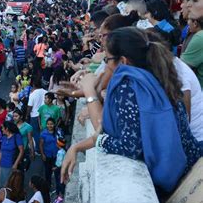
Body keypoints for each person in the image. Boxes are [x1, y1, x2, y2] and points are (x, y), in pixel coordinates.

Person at [61, 27, 202, 194]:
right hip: (191, 161)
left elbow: (130, 146)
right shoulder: (154, 74)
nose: (106, 65)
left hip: (177, 177)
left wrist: (90, 92)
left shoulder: (128, 86)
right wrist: (76, 147)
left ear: (123, 61)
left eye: (108, 60)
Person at [0, 121, 24, 186]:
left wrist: (15, 164)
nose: (1, 129)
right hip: (2, 166)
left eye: (2, 128)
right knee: (3, 186)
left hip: (11, 165)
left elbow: (21, 151)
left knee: (10, 186)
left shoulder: (16, 137)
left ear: (7, 129)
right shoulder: (4, 137)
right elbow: (1, 152)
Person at [39, 118, 61, 189]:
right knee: (47, 172)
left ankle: (58, 187)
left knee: (57, 171)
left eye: (51, 124)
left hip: (56, 155)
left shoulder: (58, 132)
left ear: (54, 124)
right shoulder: (43, 133)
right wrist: (42, 154)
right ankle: (48, 185)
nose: (50, 126)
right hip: (47, 155)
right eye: (48, 124)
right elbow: (41, 145)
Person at [27, 79, 47, 152]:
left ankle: (38, 149)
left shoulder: (33, 94)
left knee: (36, 133)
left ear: (33, 85)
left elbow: (29, 106)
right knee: (44, 131)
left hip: (34, 115)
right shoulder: (45, 92)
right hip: (44, 115)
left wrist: (27, 115)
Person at [53, 138, 66, 203]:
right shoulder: (63, 151)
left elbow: (59, 163)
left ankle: (60, 197)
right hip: (61, 168)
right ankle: (59, 196)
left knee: (59, 182)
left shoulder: (60, 152)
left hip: (59, 169)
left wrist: (55, 168)